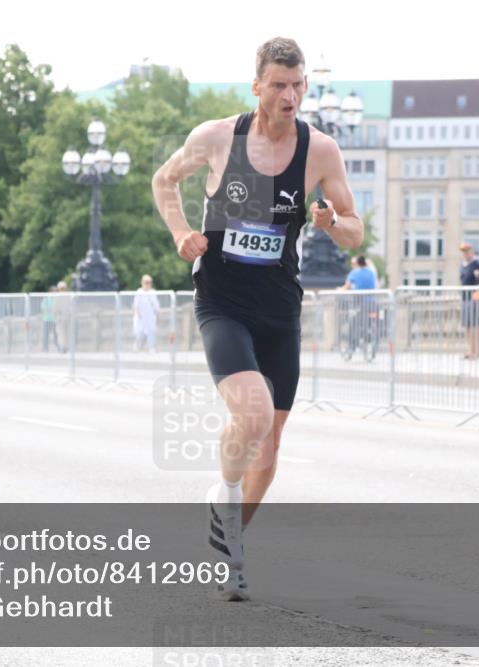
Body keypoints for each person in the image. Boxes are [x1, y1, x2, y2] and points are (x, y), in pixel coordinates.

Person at [152, 37, 363, 600]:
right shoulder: (218, 138)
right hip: (222, 301)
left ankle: (231, 547)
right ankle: (222, 494)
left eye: (298, 85)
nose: (290, 96)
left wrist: (331, 223)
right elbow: (164, 180)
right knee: (253, 414)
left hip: (279, 307)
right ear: (257, 87)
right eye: (279, 85)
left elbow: (355, 231)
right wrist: (180, 232)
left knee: (268, 449)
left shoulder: (320, 150)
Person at [341, 255, 378, 358]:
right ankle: (370, 343)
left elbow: (346, 287)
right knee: (368, 324)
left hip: (360, 303)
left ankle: (351, 347)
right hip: (372, 303)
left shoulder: (355, 273)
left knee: (353, 325)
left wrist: (339, 290)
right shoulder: (371, 272)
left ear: (357, 263)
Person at [459, 242, 479, 360]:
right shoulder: (463, 265)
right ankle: (471, 350)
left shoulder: (477, 264)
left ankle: (477, 351)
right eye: (463, 251)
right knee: (468, 326)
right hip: (465, 298)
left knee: (475, 325)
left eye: (467, 251)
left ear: (472, 251)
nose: (465, 254)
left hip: (475, 298)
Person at [132, 274, 160, 352]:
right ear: (142, 282)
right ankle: (137, 347)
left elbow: (156, 306)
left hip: (150, 317)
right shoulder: (139, 292)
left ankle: (151, 347)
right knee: (139, 333)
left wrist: (157, 315)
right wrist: (137, 314)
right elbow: (135, 305)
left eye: (149, 282)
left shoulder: (153, 292)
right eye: (146, 282)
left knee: (151, 332)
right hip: (141, 317)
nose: (148, 284)